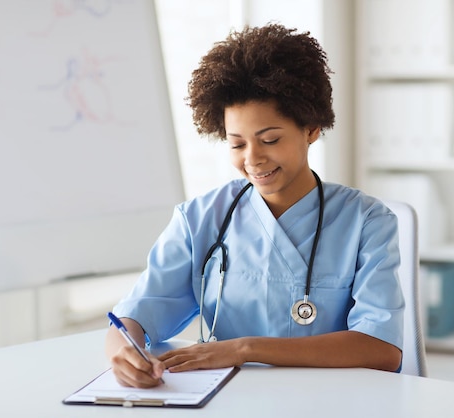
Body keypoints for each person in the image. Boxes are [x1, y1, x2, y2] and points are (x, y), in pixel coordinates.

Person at [105, 23, 404, 388]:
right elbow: (133, 317)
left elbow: (382, 348)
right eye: (236, 144)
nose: (253, 159)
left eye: (270, 139)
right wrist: (124, 352)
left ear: (311, 129)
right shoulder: (199, 220)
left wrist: (245, 349)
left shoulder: (367, 222)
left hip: (332, 401)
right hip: (227, 400)